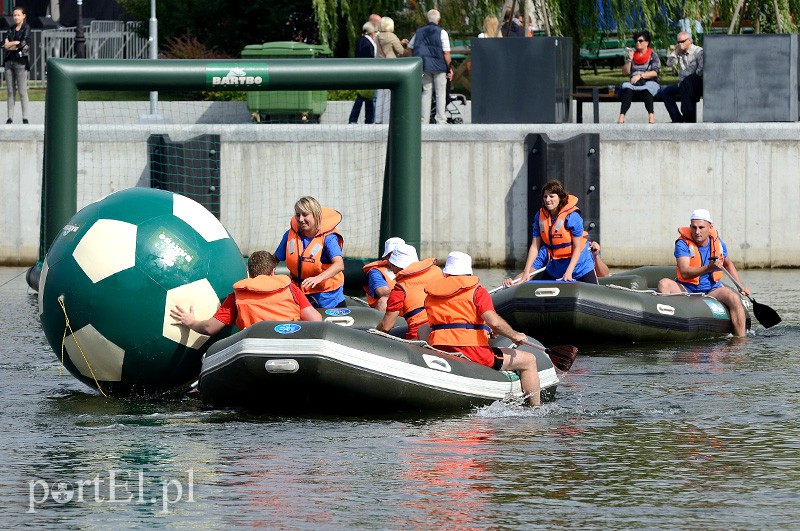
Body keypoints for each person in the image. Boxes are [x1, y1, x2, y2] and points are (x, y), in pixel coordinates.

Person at [425, 252, 542, 407]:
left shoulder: (431, 295)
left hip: (440, 347)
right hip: (472, 351)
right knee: (529, 360)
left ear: (446, 272)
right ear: (468, 272)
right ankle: (535, 410)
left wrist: (483, 329)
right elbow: (495, 322)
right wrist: (514, 335)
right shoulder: (477, 291)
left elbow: (450, 321)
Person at [170, 250, 321, 335]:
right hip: (291, 343)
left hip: (254, 350)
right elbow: (315, 320)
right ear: (274, 271)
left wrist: (190, 321)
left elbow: (210, 328)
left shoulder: (238, 295)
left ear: (249, 272)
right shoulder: (290, 288)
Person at [656, 209, 750, 337]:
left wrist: (740, 285)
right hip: (687, 288)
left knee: (733, 297)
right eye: (694, 227)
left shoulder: (718, 244)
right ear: (690, 227)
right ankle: (665, 330)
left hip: (712, 289)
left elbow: (728, 263)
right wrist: (709, 268)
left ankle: (741, 339)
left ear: (710, 227)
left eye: (701, 227)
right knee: (664, 284)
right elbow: (684, 272)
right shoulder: (682, 243)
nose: (697, 232)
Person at [504, 179, 598, 286]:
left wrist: (569, 272)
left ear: (560, 197)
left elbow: (577, 248)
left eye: (551, 196)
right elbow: (535, 246)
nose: (548, 200)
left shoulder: (572, 217)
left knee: (596, 291)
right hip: (556, 268)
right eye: (545, 197)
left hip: (580, 266)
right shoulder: (539, 217)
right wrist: (526, 271)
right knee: (539, 289)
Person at [274, 196, 346, 308]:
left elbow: (339, 264)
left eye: (305, 214)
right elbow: (275, 259)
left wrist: (318, 278)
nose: (301, 219)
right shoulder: (290, 235)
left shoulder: (328, 238)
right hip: (299, 295)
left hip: (327, 298)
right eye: (298, 215)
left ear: (315, 214)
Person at [377, 243, 443, 340]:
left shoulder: (400, 288)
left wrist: (373, 334)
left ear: (398, 265)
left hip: (418, 337)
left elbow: (385, 327)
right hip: (443, 331)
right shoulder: (437, 271)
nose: (392, 270)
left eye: (393, 265)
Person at [407, 9, 452, 125]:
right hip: (439, 67)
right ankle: (441, 119)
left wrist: (415, 61)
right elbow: (446, 52)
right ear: (438, 19)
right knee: (440, 93)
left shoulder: (419, 32)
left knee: (426, 92)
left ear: (428, 19)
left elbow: (410, 47)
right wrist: (449, 68)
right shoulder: (442, 32)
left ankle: (423, 121)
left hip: (424, 66)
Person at [659, 32, 704, 123]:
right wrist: (676, 52)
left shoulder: (698, 51)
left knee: (687, 84)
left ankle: (688, 118)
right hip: (682, 83)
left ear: (690, 40)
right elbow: (669, 64)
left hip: (695, 83)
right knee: (664, 92)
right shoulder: (679, 52)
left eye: (682, 41)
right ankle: (677, 118)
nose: (680, 44)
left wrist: (688, 81)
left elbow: (701, 71)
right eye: (678, 42)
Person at [617, 30, 661, 124]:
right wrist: (629, 60)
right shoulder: (633, 55)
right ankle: (621, 117)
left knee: (647, 90)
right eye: (636, 41)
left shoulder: (653, 55)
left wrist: (640, 76)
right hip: (634, 83)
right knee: (627, 89)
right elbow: (625, 72)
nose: (638, 43)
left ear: (647, 42)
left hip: (649, 80)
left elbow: (655, 72)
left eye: (640, 41)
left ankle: (651, 117)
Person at [374, 17, 406, 124]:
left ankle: (377, 119)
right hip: (390, 67)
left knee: (379, 93)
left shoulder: (378, 36)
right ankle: (386, 119)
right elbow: (401, 51)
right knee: (388, 93)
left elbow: (385, 46)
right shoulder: (392, 36)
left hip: (379, 66)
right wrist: (401, 44)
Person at [362, 236, 405, 311]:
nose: (393, 258)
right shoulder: (376, 272)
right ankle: (384, 322)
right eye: (391, 255)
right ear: (386, 256)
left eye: (397, 254)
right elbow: (383, 293)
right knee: (384, 301)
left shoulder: (413, 268)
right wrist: (408, 291)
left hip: (411, 305)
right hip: (393, 307)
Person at [4, 6, 30, 125]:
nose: (16, 17)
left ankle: (25, 117)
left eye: (18, 15)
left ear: (23, 16)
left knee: (22, 90)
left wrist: (12, 44)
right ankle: (10, 117)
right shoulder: (10, 29)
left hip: (21, 62)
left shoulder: (26, 28)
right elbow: (4, 45)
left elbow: (23, 43)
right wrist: (13, 44)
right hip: (9, 62)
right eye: (14, 15)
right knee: (10, 90)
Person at [348, 21, 377, 124]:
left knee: (365, 96)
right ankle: (364, 119)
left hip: (361, 71)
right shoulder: (367, 43)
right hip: (368, 72)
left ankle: (361, 119)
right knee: (364, 96)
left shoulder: (360, 40)